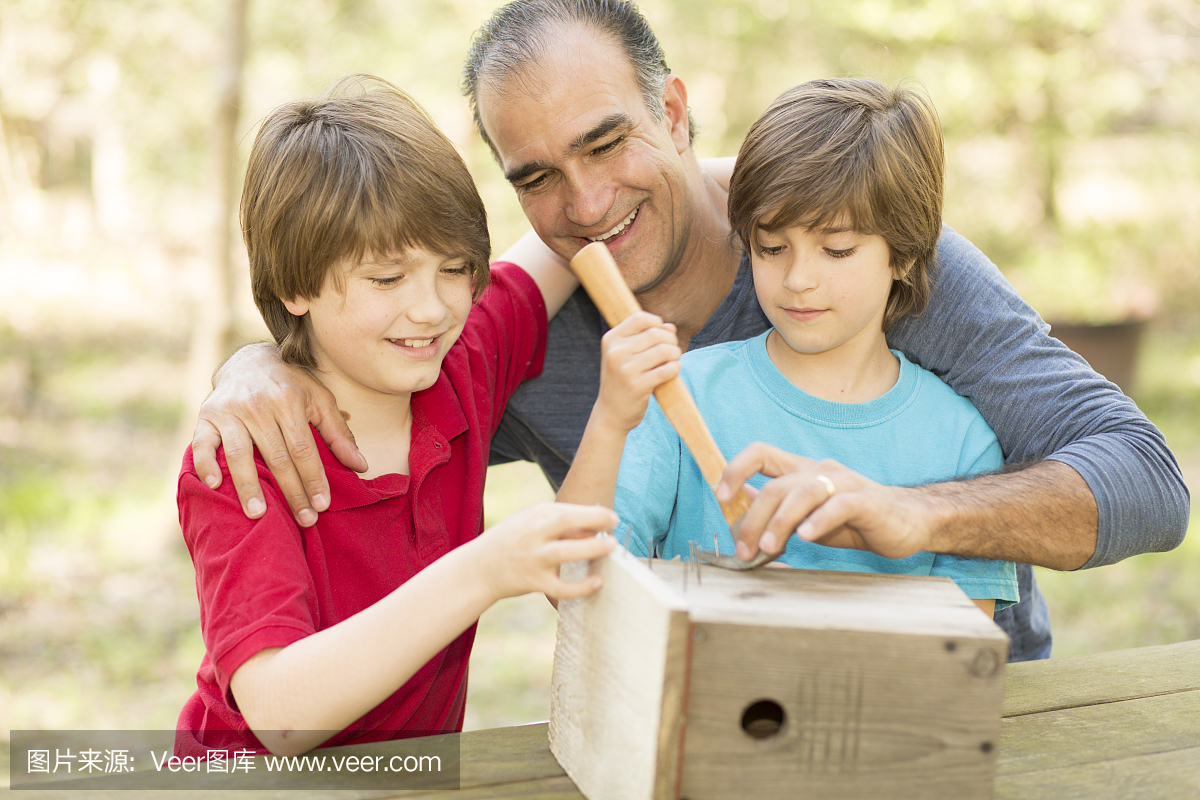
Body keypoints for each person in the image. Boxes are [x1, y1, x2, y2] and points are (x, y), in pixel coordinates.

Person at [191, 0, 1188, 662]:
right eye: (537, 177)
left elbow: (1149, 483)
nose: (587, 203)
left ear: (673, 111)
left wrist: (918, 516)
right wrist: (259, 362)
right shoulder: (523, 336)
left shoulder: (865, 259)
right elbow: (370, 366)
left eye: (606, 142)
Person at [174, 74, 617, 759]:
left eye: (455, 268)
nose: (432, 308)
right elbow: (279, 714)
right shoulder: (245, 455)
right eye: (387, 278)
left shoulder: (462, 365)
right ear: (295, 283)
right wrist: (484, 570)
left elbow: (573, 226)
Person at [558, 77, 1019, 617]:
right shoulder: (683, 393)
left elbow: (958, 648)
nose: (798, 279)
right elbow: (572, 582)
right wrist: (610, 418)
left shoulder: (962, 442)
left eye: (837, 250)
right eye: (772, 247)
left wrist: (799, 617)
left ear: (905, 255)